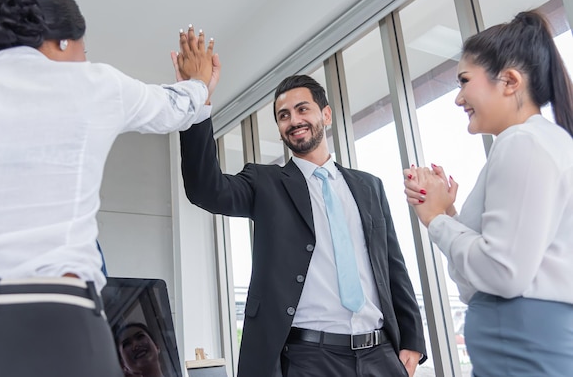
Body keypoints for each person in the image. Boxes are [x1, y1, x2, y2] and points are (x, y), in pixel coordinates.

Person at [0, 0, 218, 377]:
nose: (83, 58)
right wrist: (198, 80)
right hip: (57, 313)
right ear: (60, 39)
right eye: (81, 47)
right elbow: (179, 108)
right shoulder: (94, 84)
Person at [178, 74, 426, 377]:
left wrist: (412, 339)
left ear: (326, 114)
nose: (293, 120)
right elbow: (206, 189)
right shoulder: (264, 183)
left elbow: (392, 265)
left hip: (380, 354)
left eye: (302, 109)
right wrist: (197, 100)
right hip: (309, 359)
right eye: (284, 115)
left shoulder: (368, 186)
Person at [403, 10, 573, 376]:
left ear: (510, 81)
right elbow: (491, 271)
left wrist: (435, 219)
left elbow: (501, 271)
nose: (458, 97)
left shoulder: (522, 143)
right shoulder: (543, 143)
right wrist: (448, 215)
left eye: (464, 81)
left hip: (520, 347)